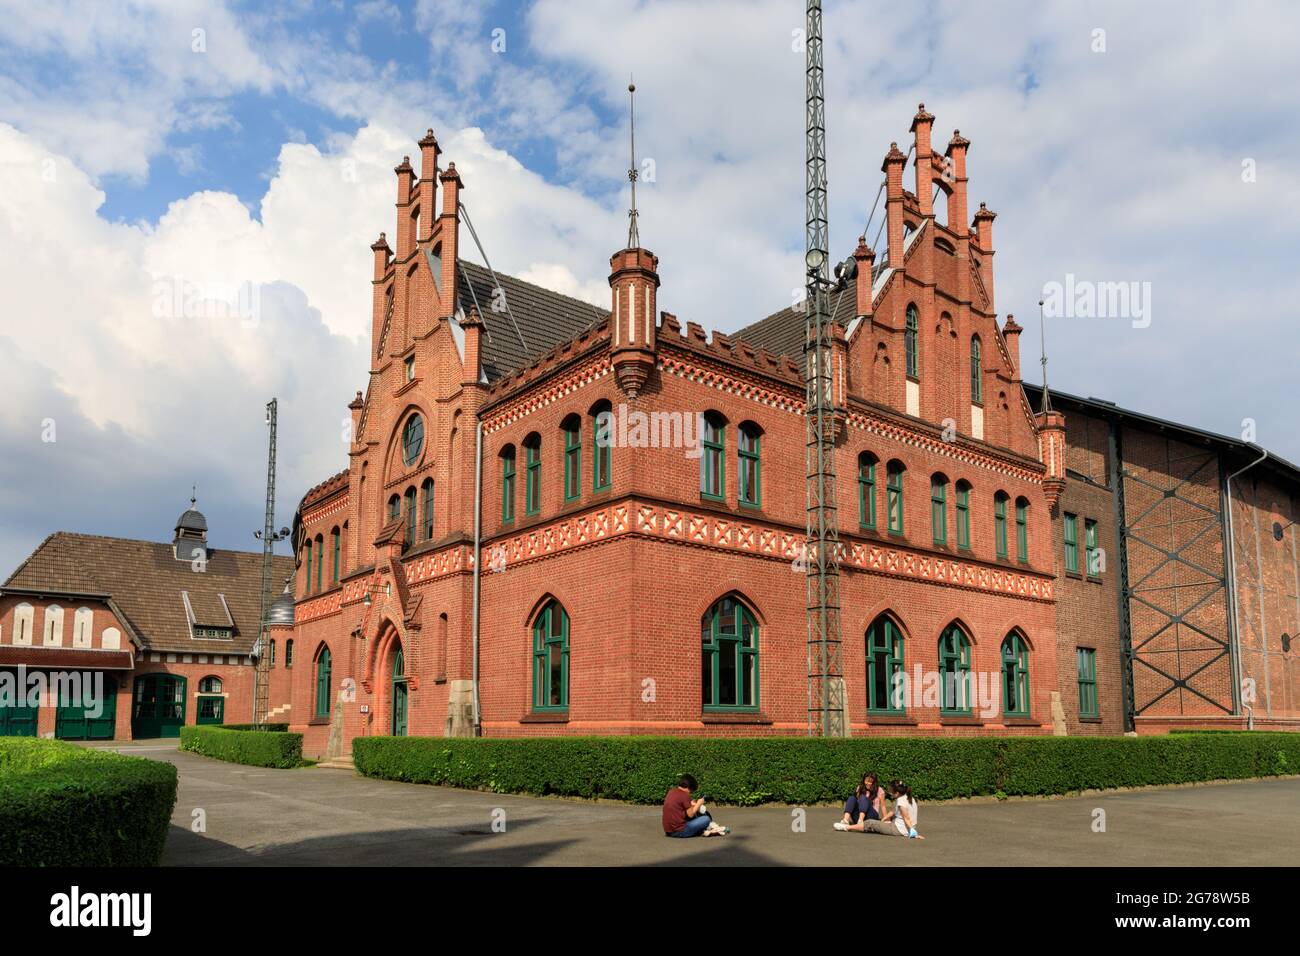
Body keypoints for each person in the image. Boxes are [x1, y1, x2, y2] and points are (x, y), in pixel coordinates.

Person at [842, 779, 924, 839]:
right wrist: (884, 819)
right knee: (879, 822)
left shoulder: (901, 801)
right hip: (902, 828)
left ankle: (847, 827)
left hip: (898, 829)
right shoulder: (910, 798)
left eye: (891, 791)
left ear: (897, 793)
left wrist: (913, 832)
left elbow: (907, 818)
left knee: (870, 823)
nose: (890, 792)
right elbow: (893, 811)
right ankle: (851, 826)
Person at [662, 774, 730, 837]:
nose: (690, 793)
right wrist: (699, 803)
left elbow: (679, 807)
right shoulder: (684, 795)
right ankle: (707, 828)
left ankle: (704, 829)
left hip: (668, 831)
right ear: (689, 788)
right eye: (691, 791)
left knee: (696, 815)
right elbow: (690, 814)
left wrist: (692, 803)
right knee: (706, 819)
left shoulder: (671, 791)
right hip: (680, 831)